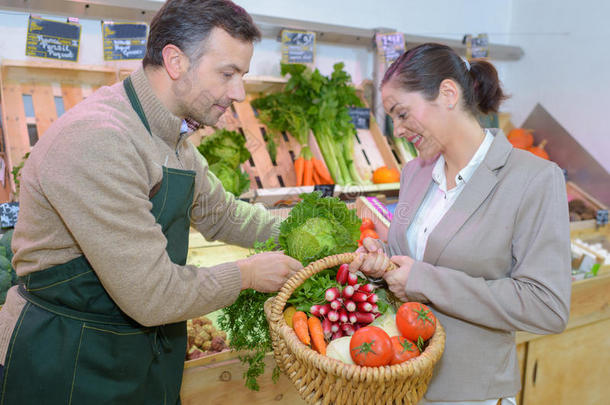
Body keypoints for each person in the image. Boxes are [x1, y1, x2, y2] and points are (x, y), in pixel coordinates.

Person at [0, 1, 302, 403]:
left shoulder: (173, 141)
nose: (239, 93)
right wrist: (247, 274)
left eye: (241, 75)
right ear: (175, 61)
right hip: (68, 359)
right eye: (227, 74)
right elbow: (154, 294)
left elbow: (225, 215)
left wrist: (315, 231)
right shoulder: (100, 138)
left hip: (135, 353)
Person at [351, 43, 571, 405]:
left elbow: (546, 306)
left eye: (403, 113)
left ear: (448, 93)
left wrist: (422, 280)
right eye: (393, 117)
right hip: (401, 381)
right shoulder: (414, 173)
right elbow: (407, 255)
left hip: (469, 393)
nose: (400, 129)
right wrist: (381, 262)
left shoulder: (533, 179)